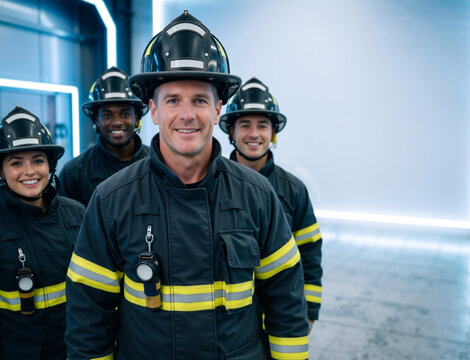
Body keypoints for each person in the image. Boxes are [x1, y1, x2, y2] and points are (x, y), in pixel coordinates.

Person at [65, 11, 309, 360]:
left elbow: (286, 301)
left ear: (218, 107)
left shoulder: (258, 195)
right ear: (152, 109)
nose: (187, 115)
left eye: (199, 100)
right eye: (173, 100)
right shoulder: (111, 199)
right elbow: (89, 313)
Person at [219, 77, 323, 336]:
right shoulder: (212, 184)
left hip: (278, 314)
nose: (254, 134)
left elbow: (309, 254)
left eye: (262, 126)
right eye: (245, 125)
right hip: (227, 323)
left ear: (273, 133)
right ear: (231, 131)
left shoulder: (294, 189)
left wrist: (309, 311)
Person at [0, 106, 85, 360]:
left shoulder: (78, 214)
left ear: (51, 165)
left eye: (38, 160)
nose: (30, 171)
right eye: (16, 163)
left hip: (75, 352)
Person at [58, 66, 149, 206]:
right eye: (107, 115)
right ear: (96, 120)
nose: (117, 122)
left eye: (125, 114)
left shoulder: (157, 162)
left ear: (136, 118)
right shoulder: (74, 173)